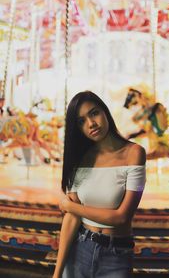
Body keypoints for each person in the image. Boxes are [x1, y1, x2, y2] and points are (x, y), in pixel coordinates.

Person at [53, 91, 146, 278]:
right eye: (81, 121)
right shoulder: (79, 159)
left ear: (105, 112)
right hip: (80, 248)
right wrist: (57, 273)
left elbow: (121, 217)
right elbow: (71, 219)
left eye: (94, 113)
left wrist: (70, 206)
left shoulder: (134, 153)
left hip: (116, 254)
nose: (91, 124)